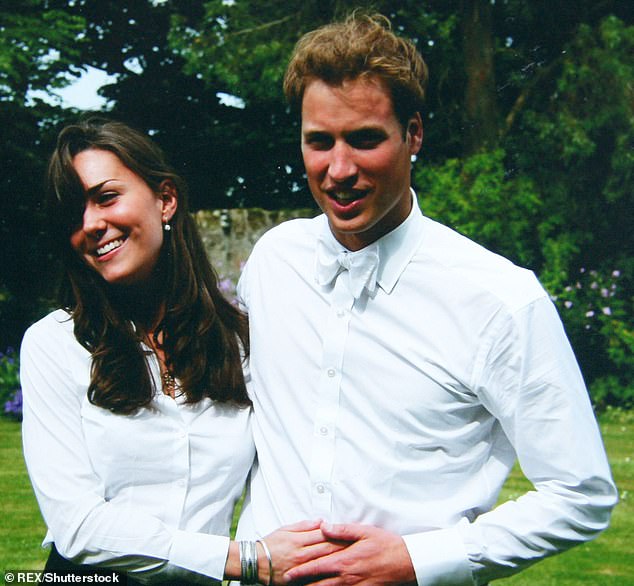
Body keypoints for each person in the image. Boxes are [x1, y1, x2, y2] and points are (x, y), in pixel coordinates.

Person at [235, 13, 618, 585]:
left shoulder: (499, 299)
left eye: (365, 139)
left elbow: (581, 493)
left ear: (414, 133)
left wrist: (418, 561)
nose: (338, 169)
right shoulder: (273, 261)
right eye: (320, 142)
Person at [20, 118, 338, 585]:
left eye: (106, 197)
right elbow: (78, 526)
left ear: (165, 199)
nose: (90, 224)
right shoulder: (54, 344)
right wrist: (242, 559)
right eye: (73, 213)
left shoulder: (240, 344)